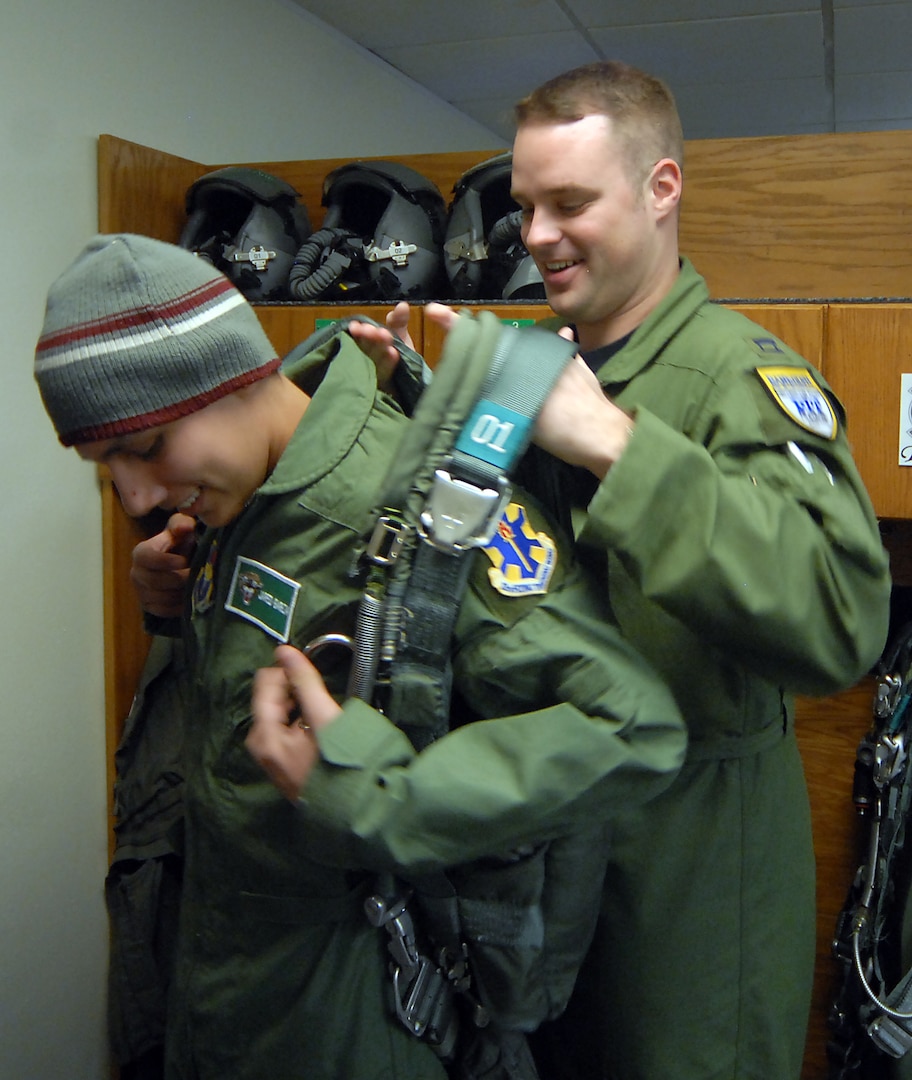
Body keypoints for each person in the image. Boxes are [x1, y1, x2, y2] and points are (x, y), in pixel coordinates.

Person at [341, 59, 894, 1080]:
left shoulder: (739, 376)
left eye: (570, 203)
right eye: (525, 206)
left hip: (686, 908)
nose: (537, 235)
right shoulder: (530, 367)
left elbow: (841, 619)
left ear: (661, 188)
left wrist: (615, 445)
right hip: (539, 901)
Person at [34, 233, 687, 1080]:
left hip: (365, 1008)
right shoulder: (243, 506)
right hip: (223, 991)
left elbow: (633, 729)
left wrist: (384, 794)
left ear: (231, 377)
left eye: (149, 447)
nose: (135, 496)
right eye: (103, 465)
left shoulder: (417, 515)